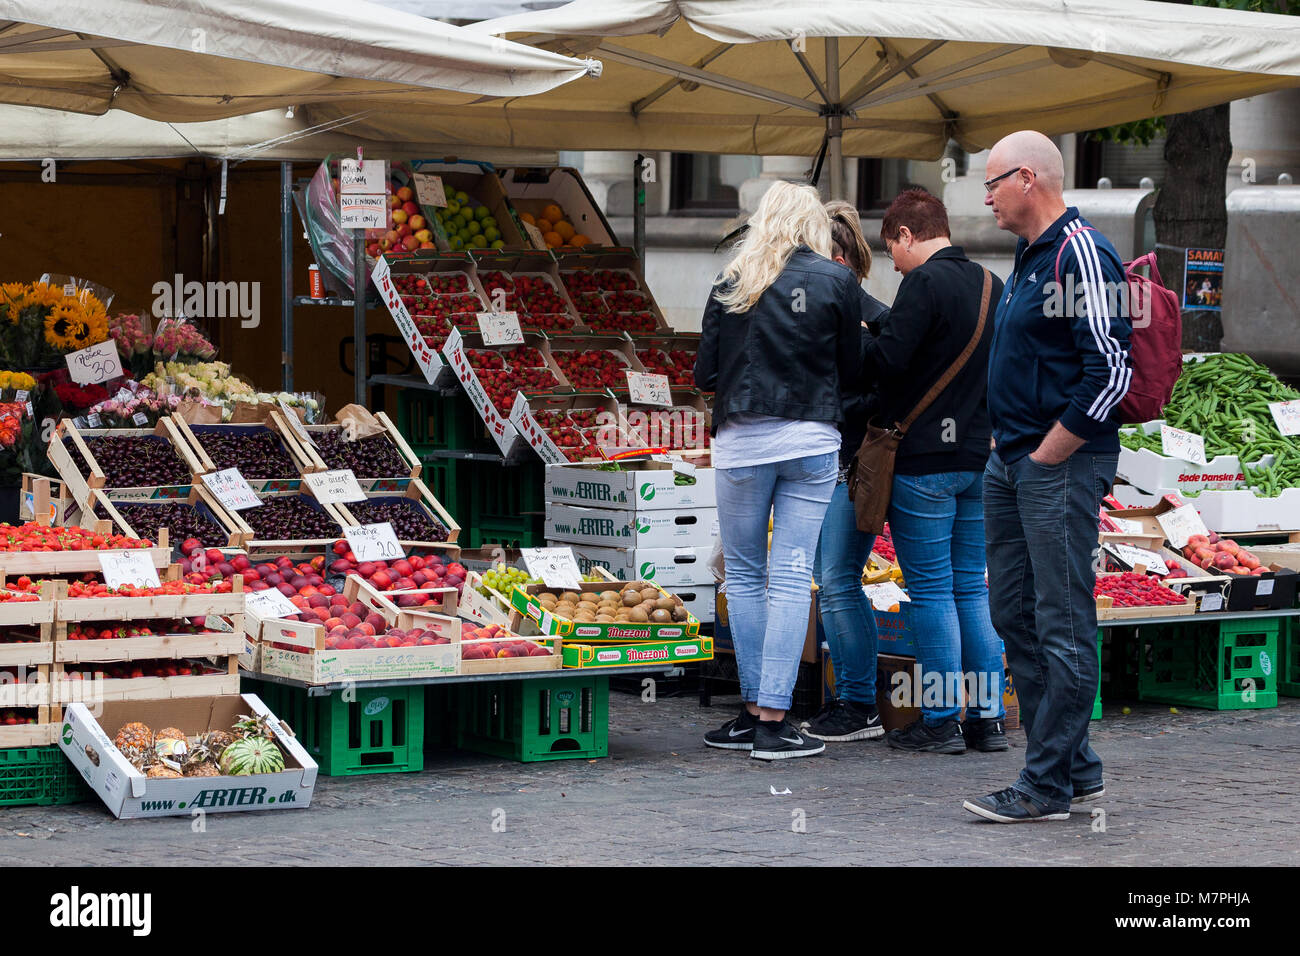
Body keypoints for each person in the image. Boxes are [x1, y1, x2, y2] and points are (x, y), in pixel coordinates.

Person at [965, 131, 1131, 823]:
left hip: (1056, 465)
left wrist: (1045, 456)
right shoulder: (1031, 256)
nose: (986, 195)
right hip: (1014, 463)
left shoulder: (1081, 253)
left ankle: (1045, 785)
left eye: (993, 181)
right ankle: (1074, 768)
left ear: (1027, 178)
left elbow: (1111, 372)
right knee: (1015, 613)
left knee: (1061, 622)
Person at [695, 181, 863, 760]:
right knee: (792, 576)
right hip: (812, 439)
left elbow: (703, 374)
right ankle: (774, 718)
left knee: (742, 576)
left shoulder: (732, 280)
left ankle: (750, 711)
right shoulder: (836, 280)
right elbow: (852, 367)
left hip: (741, 444)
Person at [854, 188, 1007, 755]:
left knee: (932, 592)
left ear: (906, 236)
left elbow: (888, 365)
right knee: (971, 588)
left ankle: (941, 718)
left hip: (923, 463)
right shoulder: (995, 284)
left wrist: (866, 327)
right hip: (978, 458)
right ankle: (987, 719)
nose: (893, 263)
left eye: (891, 250)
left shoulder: (923, 284)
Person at [803, 201, 891, 743]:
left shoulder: (858, 327)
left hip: (848, 466)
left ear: (835, 262)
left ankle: (859, 702)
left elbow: (871, 395)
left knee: (837, 582)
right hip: (835, 465)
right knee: (833, 581)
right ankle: (854, 697)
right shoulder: (855, 319)